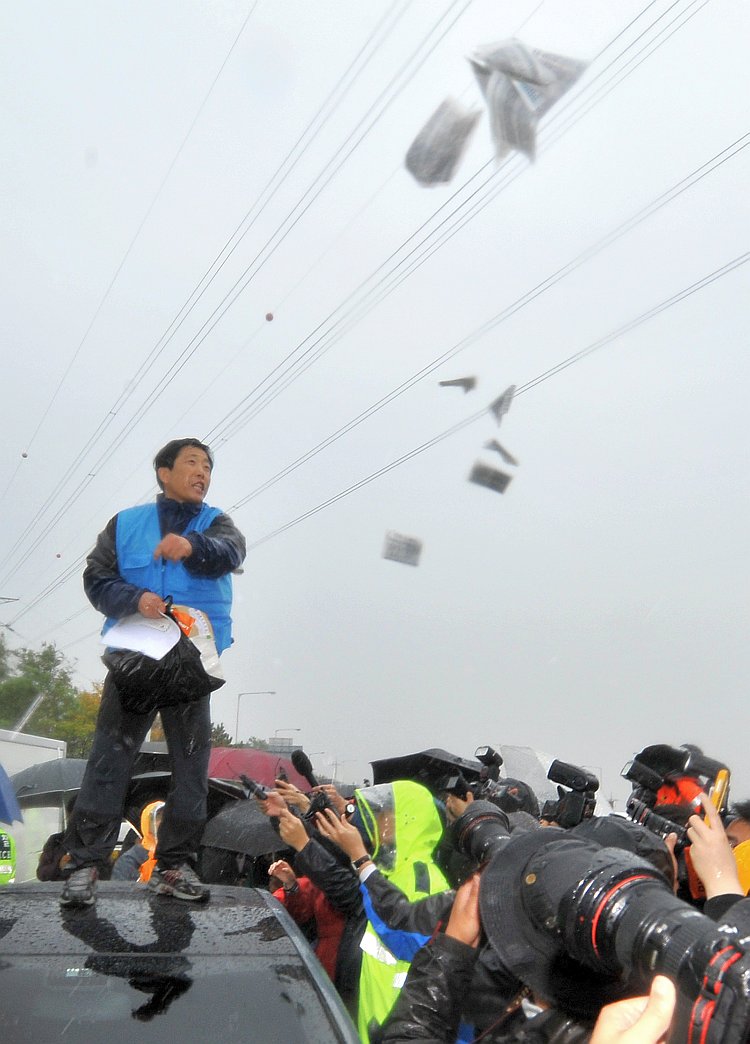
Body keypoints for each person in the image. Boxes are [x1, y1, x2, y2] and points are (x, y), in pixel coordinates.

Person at [60, 437, 246, 908]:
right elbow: (97, 578)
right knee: (109, 759)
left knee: (190, 767)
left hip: (190, 659)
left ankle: (174, 865)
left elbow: (232, 551)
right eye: (192, 463)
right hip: (136, 655)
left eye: (207, 466)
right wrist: (133, 600)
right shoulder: (125, 525)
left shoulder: (215, 524)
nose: (202, 472)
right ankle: (86, 865)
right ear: (163, 472)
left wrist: (192, 545)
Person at [111, 800, 165, 882]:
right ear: (148, 823)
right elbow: (119, 891)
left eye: (167, 818)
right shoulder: (129, 860)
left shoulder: (180, 855)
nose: (163, 822)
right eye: (158, 817)